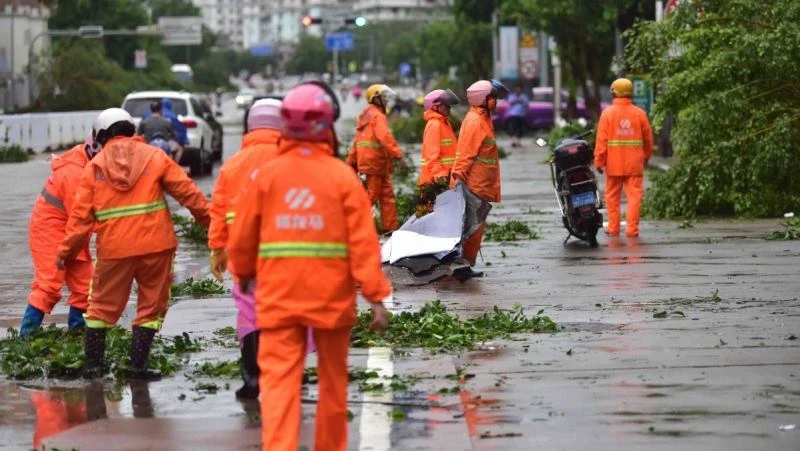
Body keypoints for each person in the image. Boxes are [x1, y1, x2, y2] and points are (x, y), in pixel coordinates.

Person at [227, 81, 391, 451]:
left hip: (278, 302)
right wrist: (377, 298)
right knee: (333, 386)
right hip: (331, 304)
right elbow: (364, 245)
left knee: (280, 385)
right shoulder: (342, 178)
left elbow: (241, 239)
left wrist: (245, 274)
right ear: (327, 124)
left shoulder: (267, 176)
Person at [57, 108, 210, 381]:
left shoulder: (94, 167)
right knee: (151, 307)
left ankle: (93, 368)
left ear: (103, 136)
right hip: (157, 247)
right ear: (131, 130)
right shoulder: (155, 156)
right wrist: (211, 225)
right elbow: (188, 192)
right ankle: (138, 367)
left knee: (99, 309)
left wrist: (65, 252)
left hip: (114, 251)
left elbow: (79, 219)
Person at [208, 98, 296, 399]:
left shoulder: (232, 165)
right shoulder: (293, 160)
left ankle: (252, 378)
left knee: (249, 313)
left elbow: (218, 211)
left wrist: (217, 249)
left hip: (244, 254)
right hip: (286, 252)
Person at [19, 131, 103, 337]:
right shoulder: (74, 174)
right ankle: (25, 337)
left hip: (73, 232)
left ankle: (77, 334)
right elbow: (84, 218)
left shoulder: (90, 165)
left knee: (86, 287)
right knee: (48, 284)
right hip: (49, 232)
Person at [450, 79, 509, 281]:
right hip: (474, 185)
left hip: (482, 184)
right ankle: (461, 266)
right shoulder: (476, 121)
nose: (496, 102)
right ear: (482, 99)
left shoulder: (483, 118)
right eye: (493, 98)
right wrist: (457, 178)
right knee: (470, 229)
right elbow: (466, 153)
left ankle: (464, 265)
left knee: (474, 228)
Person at [594, 77, 653, 238]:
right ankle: (632, 230)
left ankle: (613, 228)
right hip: (634, 164)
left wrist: (599, 161)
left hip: (613, 164)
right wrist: (646, 156)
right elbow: (648, 139)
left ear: (614, 92)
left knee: (612, 197)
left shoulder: (607, 114)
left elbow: (602, 140)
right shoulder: (640, 114)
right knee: (634, 197)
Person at [346, 84, 404, 234]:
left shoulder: (365, 116)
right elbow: (385, 137)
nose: (386, 101)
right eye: (383, 97)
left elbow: (356, 143)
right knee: (373, 197)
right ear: (375, 99)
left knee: (386, 196)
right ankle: (355, 225)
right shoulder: (377, 116)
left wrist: (350, 164)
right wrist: (398, 154)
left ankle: (389, 230)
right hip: (375, 163)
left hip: (374, 164)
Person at [416, 89, 460, 216]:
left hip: (445, 179)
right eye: (446, 105)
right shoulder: (434, 125)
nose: (449, 108)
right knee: (434, 217)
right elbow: (431, 156)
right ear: (436, 107)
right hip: (435, 182)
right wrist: (440, 176)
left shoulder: (444, 123)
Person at [161, 98, 190, 165]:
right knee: (179, 149)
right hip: (168, 141)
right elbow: (180, 130)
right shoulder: (172, 116)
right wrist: (184, 141)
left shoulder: (148, 115)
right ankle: (175, 165)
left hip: (150, 142)